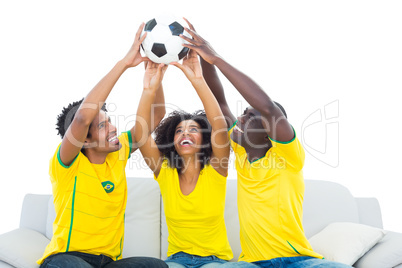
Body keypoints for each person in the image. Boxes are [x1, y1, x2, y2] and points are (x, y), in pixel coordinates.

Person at [179, 19, 352, 268]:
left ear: (268, 132)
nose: (240, 118)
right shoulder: (240, 151)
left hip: (298, 261)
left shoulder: (288, 157)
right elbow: (221, 102)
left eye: (251, 116)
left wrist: (216, 58)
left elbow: (268, 108)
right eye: (244, 113)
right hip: (252, 264)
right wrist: (202, 60)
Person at [38, 23, 168, 268]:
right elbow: (82, 118)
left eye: (110, 122)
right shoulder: (66, 165)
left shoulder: (119, 152)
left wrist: (153, 81)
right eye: (102, 126)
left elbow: (157, 114)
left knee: (155, 266)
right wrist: (124, 64)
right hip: (68, 258)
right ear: (83, 140)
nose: (113, 129)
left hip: (108, 263)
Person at [134, 50, 233, 266]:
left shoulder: (217, 168)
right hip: (176, 261)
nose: (185, 134)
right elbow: (140, 134)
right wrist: (148, 89)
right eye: (179, 131)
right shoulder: (164, 171)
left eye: (192, 130)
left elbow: (219, 125)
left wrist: (197, 80)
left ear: (205, 140)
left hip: (216, 261)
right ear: (172, 140)